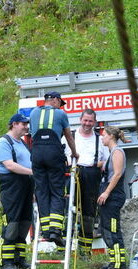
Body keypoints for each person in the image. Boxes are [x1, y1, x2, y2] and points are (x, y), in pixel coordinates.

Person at [29, 91, 78, 245]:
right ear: (56, 100)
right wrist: (75, 153)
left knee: (42, 191)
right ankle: (56, 231)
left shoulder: (33, 113)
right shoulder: (61, 114)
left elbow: (32, 134)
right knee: (57, 190)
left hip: (36, 153)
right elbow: (69, 136)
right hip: (53, 153)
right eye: (60, 102)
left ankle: (45, 228)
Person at [0, 113, 34, 269]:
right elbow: (10, 165)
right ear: (14, 124)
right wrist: (32, 172)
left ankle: (20, 259)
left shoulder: (22, 143)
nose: (26, 127)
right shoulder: (3, 142)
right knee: (11, 223)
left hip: (26, 186)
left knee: (24, 223)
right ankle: (6, 261)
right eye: (23, 124)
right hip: (12, 187)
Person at [66, 108, 109, 258]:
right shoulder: (69, 136)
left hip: (92, 176)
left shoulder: (100, 139)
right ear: (80, 119)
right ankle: (64, 250)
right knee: (68, 211)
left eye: (90, 121)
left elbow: (107, 162)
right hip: (72, 174)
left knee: (88, 214)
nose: (87, 123)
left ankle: (85, 252)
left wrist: (98, 164)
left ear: (95, 122)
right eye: (85, 120)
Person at [97, 126, 127, 269]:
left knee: (113, 230)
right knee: (106, 229)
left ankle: (119, 264)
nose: (102, 138)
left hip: (113, 196)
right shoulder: (111, 153)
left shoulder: (117, 152)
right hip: (110, 196)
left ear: (110, 136)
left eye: (103, 135)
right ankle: (114, 260)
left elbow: (117, 174)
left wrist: (106, 193)